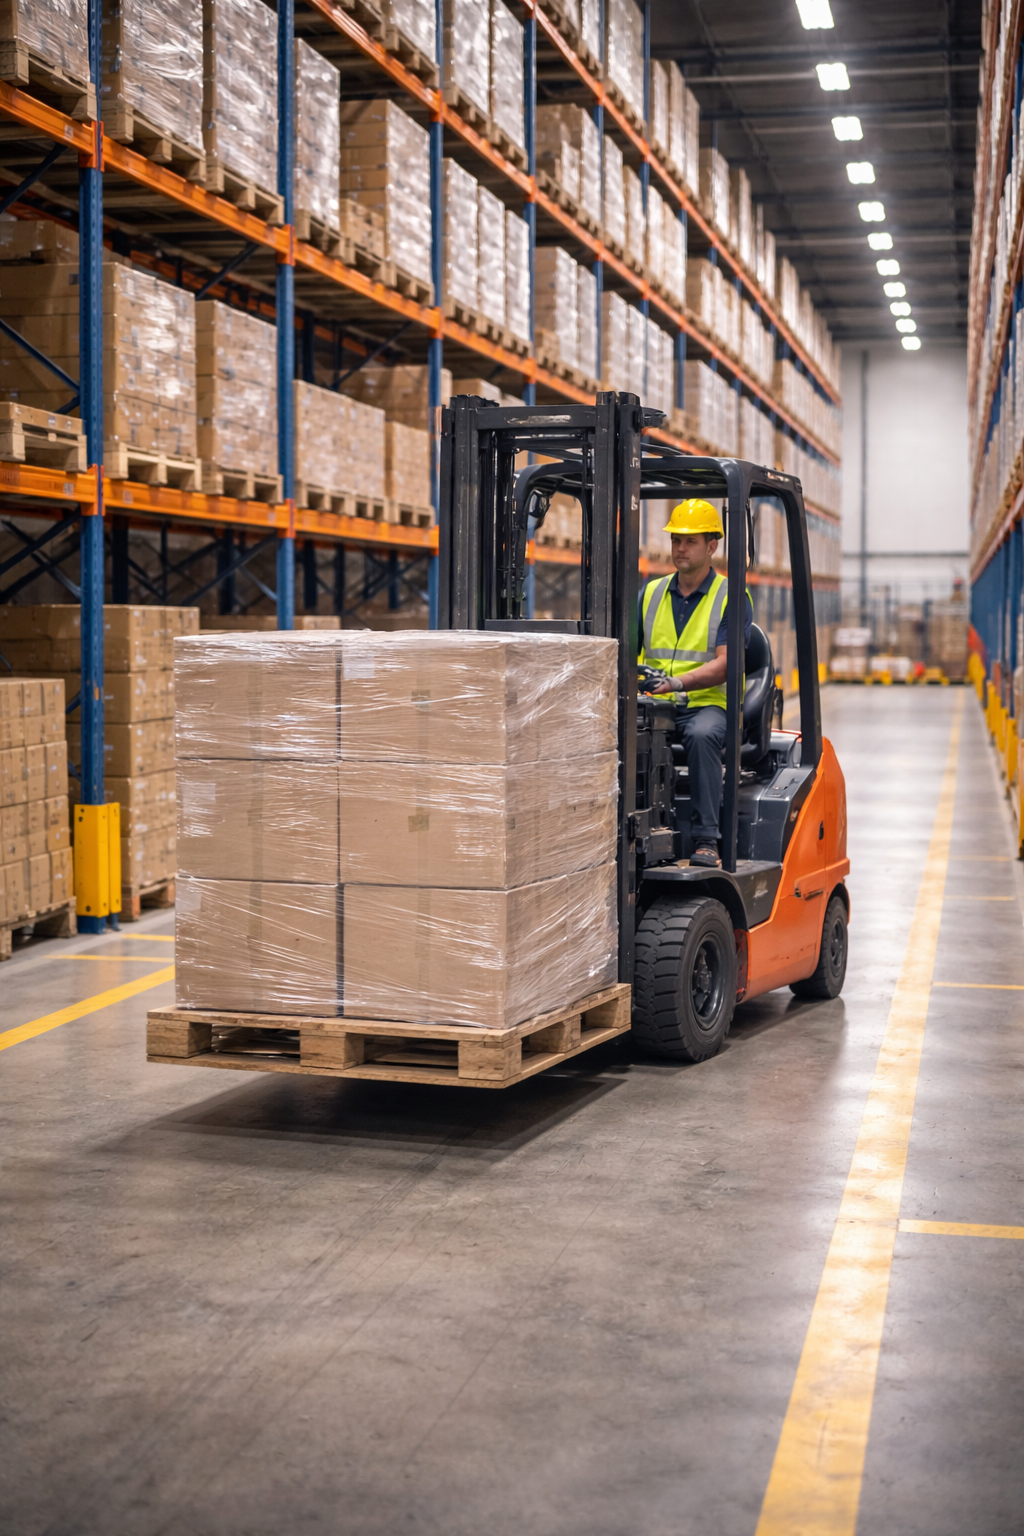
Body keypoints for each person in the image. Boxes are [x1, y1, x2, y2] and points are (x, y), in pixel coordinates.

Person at [638, 498, 752, 869]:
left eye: (690, 541)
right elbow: (624, 650)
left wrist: (674, 683)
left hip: (706, 703)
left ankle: (707, 840)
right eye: (676, 540)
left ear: (712, 546)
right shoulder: (651, 592)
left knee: (702, 736)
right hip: (657, 704)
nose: (680, 548)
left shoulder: (730, 596)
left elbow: (725, 665)